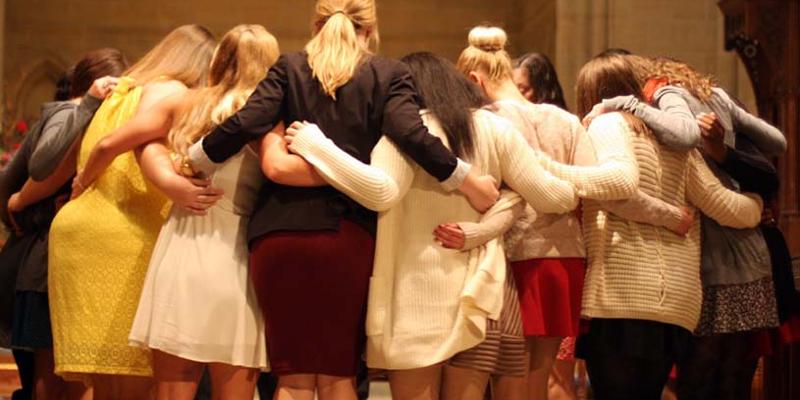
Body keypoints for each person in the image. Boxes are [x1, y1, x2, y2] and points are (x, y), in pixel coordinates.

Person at [179, 1, 499, 398]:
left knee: (292, 376)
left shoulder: (288, 68)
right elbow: (412, 135)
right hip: (346, 237)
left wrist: (195, 158)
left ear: (315, 24)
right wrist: (465, 179)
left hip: (277, 237)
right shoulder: (389, 74)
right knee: (338, 376)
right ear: (371, 28)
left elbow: (247, 121)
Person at [283, 51, 578, 400]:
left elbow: (379, 192)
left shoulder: (403, 134)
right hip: (480, 295)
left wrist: (316, 146)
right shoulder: (494, 129)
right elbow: (554, 198)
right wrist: (514, 194)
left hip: (412, 299)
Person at [572, 54, 764, 400]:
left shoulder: (607, 124)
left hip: (622, 294)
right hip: (675, 303)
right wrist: (759, 206)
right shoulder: (677, 144)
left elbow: (617, 190)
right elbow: (721, 203)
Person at [47, 25, 215, 400]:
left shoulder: (121, 92)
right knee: (134, 378)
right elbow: (141, 152)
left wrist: (81, 184)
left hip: (80, 230)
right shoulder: (174, 93)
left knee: (106, 385)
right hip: (124, 235)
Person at [0, 48, 126, 400]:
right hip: (42, 263)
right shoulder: (70, 112)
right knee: (51, 377)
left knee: (64, 376)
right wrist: (20, 202)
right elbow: (39, 168)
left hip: (56, 259)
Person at [512, 49, 578, 400]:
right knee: (527, 372)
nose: (516, 97)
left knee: (554, 375)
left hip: (550, 249)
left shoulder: (561, 124)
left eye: (523, 89)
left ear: (541, 88)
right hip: (535, 250)